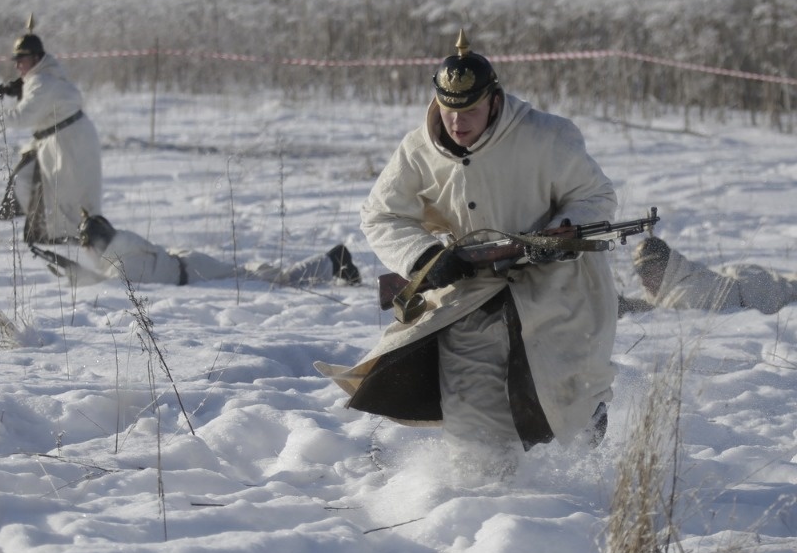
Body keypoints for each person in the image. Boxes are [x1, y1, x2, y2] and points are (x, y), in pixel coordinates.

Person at [316, 30, 619, 476]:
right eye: (449, 109)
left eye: (471, 109)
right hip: (469, 294)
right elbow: (380, 216)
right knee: (474, 426)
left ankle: (582, 443)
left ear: (494, 100)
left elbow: (596, 196)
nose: (458, 122)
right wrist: (425, 259)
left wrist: (558, 235)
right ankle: (482, 505)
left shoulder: (548, 136)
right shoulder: (417, 149)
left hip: (558, 290)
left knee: (569, 397)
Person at [0, 16, 102, 245]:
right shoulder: (40, 78)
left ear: (36, 59)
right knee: (31, 181)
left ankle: (73, 239)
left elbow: (22, 117)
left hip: (69, 142)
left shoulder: (41, 82)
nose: (17, 65)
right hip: (61, 139)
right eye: (16, 60)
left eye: (22, 59)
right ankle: (47, 231)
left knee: (70, 197)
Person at [35, 209, 362, 288]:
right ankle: (332, 262)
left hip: (194, 272)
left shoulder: (122, 258)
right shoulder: (123, 246)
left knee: (273, 284)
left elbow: (112, 289)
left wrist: (72, 272)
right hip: (188, 266)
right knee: (258, 277)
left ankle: (334, 261)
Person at [619, 236, 797, 315]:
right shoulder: (677, 279)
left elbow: (667, 318)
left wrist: (630, 308)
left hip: (756, 289)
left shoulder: (688, 292)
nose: (643, 280)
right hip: (740, 277)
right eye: (640, 273)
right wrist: (626, 304)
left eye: (648, 272)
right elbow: (657, 306)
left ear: (665, 266)